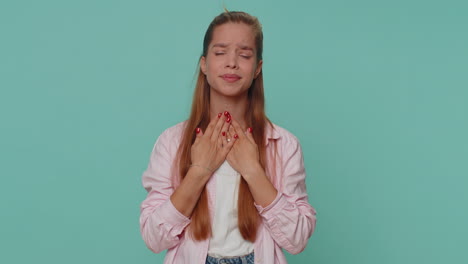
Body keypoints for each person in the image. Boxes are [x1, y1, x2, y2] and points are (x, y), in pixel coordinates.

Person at [139, 11, 317, 264]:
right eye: (220, 52)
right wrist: (199, 171)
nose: (231, 62)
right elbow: (153, 237)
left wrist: (253, 171)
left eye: (244, 55)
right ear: (204, 64)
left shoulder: (284, 144)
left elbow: (297, 239)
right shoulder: (171, 142)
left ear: (257, 68)